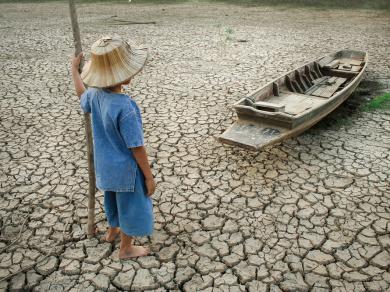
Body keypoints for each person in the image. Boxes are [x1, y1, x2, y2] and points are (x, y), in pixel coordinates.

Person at [71, 36, 155, 259]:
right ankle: (126, 248)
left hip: (104, 166)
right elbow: (137, 147)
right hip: (126, 170)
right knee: (130, 206)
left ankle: (111, 231)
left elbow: (82, 95)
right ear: (125, 76)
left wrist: (74, 71)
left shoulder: (95, 95)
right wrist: (148, 176)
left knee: (112, 200)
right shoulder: (126, 107)